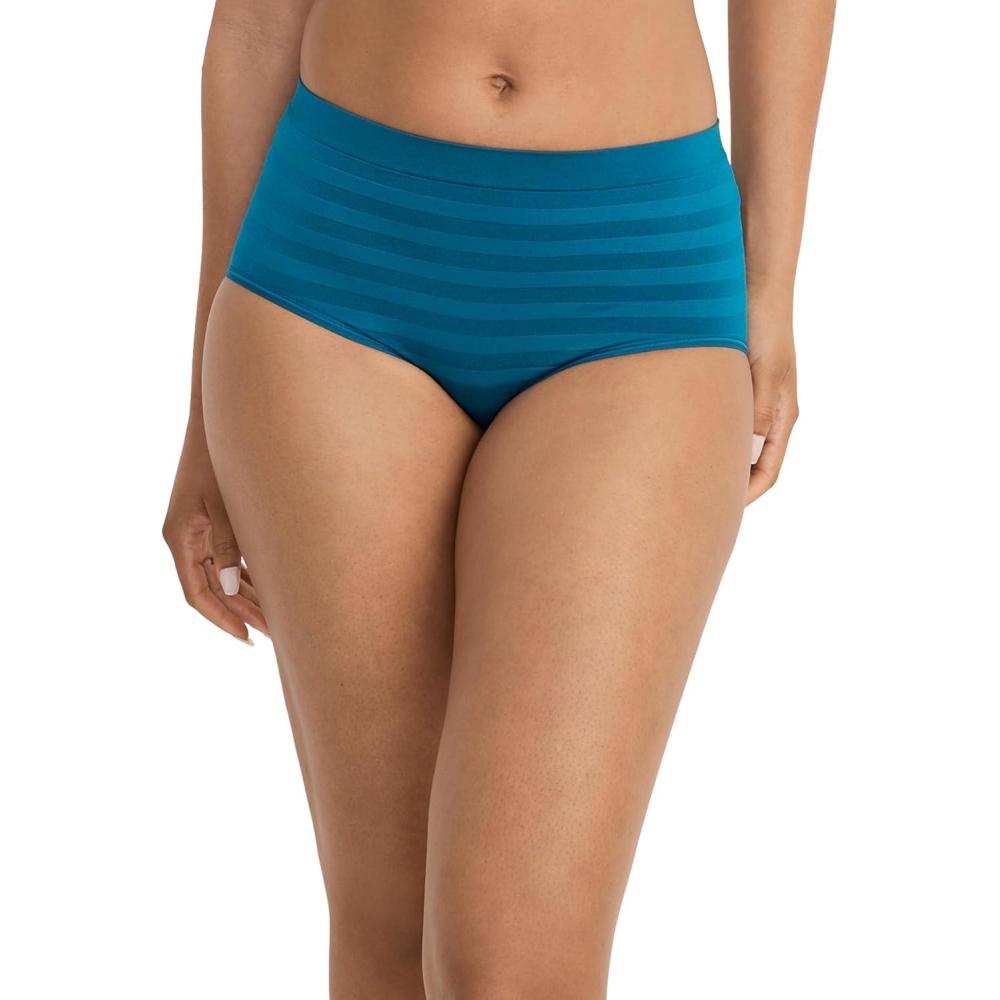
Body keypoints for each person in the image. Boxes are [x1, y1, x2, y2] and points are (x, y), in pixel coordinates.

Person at [163, 1, 834, 995]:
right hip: (336, 265)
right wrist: (200, 421)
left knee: (516, 966)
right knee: (389, 929)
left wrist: (770, 290)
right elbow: (258, 26)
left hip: (636, 274)